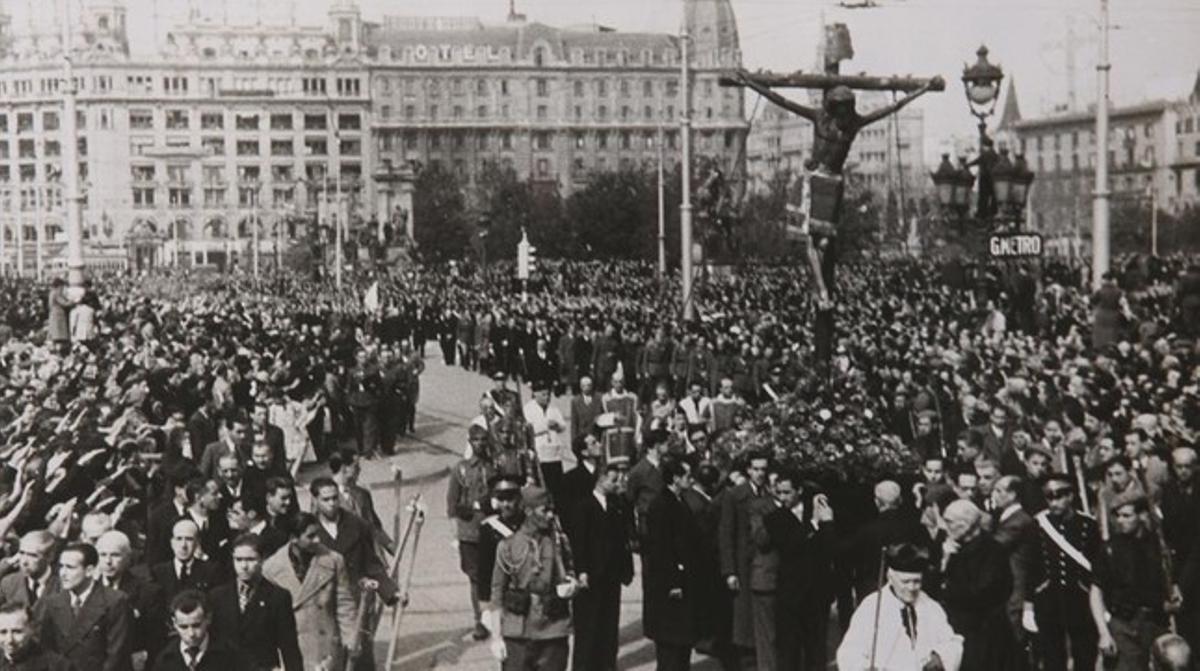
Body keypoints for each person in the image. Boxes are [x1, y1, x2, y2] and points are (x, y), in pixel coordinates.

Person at [486, 487, 576, 671]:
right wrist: (496, 637)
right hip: (518, 634)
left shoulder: (559, 544)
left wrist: (573, 586)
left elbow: (572, 575)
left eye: (552, 510)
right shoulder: (507, 547)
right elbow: (497, 594)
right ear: (528, 511)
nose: (550, 515)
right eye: (545, 510)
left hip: (553, 632)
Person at [836, 543, 963, 671]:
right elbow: (849, 652)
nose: (911, 588)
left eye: (916, 581)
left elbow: (952, 643)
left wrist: (940, 657)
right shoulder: (871, 608)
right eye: (905, 582)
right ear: (890, 577)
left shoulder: (931, 607)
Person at [1091, 491, 1178, 671]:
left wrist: (1175, 595)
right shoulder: (1109, 549)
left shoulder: (1159, 546)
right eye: (1117, 516)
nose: (1120, 520)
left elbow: (1171, 583)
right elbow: (1096, 592)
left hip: (1156, 624)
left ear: (1142, 515)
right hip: (1123, 627)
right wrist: (1103, 632)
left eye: (1126, 516)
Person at [262, 513, 357, 671]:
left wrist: (351, 637)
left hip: (325, 651)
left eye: (318, 534)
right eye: (310, 536)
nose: (317, 540)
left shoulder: (333, 560)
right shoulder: (271, 569)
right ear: (294, 538)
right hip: (290, 651)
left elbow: (344, 604)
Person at [1025, 473, 1101, 671]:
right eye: (1048, 497)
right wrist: (1029, 604)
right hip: (1049, 598)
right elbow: (1031, 567)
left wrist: (1101, 602)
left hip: (1081, 598)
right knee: (1052, 657)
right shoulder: (1038, 525)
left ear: (1070, 496)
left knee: (1085, 653)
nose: (1053, 502)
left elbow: (1098, 566)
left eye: (1058, 496)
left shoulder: (1088, 525)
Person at [763, 472, 835, 671]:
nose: (783, 497)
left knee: (817, 650)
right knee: (790, 651)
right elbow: (790, 546)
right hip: (791, 595)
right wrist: (813, 523)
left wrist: (826, 522)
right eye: (779, 492)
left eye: (787, 492)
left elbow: (829, 547)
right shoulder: (774, 518)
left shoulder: (818, 511)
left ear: (799, 491)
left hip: (817, 593)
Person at [935, 500, 1018, 671]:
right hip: (956, 630)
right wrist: (944, 561)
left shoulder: (992, 551)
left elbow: (983, 592)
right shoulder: (948, 547)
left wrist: (946, 588)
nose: (945, 526)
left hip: (984, 635)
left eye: (949, 521)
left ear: (965, 524)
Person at [568, 461, 634, 671]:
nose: (617, 484)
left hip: (611, 575)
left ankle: (607, 665)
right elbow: (579, 543)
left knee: (608, 624)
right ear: (601, 479)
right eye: (613, 480)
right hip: (592, 575)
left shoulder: (617, 505)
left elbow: (623, 540)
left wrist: (626, 569)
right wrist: (582, 571)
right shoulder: (584, 506)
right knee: (589, 625)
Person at [208, 534, 303, 671]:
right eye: (238, 560)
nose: (244, 566)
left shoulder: (278, 597)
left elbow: (289, 647)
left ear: (263, 559)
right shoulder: (217, 596)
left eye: (250, 559)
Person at [643, 459, 702, 671]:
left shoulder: (678, 501)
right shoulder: (661, 506)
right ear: (675, 478)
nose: (691, 479)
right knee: (670, 646)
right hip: (670, 586)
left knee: (682, 643)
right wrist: (673, 582)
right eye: (686, 475)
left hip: (682, 582)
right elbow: (660, 549)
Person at [38, 543, 133, 671]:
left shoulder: (115, 601)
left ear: (89, 571)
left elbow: (117, 654)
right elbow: (47, 648)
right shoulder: (53, 602)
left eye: (70, 567)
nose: (63, 573)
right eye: (61, 566)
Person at [719, 451, 772, 666]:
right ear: (748, 470)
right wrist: (729, 571)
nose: (760, 473)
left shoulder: (770, 494)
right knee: (744, 620)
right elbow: (726, 534)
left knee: (761, 621)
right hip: (743, 565)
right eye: (756, 469)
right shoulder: (735, 495)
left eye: (763, 469)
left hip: (764, 565)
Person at [447, 426, 497, 640]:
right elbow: (452, 503)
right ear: (470, 441)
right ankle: (480, 621)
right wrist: (455, 535)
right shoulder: (461, 469)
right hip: (469, 531)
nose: (480, 443)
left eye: (484, 439)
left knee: (494, 576)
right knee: (476, 578)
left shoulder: (492, 468)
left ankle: (494, 617)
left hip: (491, 529)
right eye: (476, 440)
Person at [95, 531, 168, 664]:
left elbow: (157, 639)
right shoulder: (89, 589)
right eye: (103, 555)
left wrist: (145, 655)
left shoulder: (148, 593)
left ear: (128, 558)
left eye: (115, 555)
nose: (108, 561)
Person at [150, 590, 252, 671]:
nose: (191, 634)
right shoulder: (164, 660)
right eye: (184, 627)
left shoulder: (231, 656)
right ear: (174, 623)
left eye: (196, 625)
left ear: (208, 619)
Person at [150, 519, 221, 602]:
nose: (183, 545)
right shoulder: (158, 572)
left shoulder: (211, 571)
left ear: (197, 542)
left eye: (189, 539)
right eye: (179, 539)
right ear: (172, 543)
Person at [524, 381, 567, 503]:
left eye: (548, 394)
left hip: (555, 453)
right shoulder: (528, 409)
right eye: (543, 394)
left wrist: (557, 425)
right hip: (541, 453)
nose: (547, 397)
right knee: (544, 484)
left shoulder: (553, 409)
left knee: (557, 485)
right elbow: (527, 430)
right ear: (535, 394)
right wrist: (545, 425)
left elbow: (563, 426)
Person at [0, 603, 74, 671]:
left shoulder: (58, 667)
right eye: (3, 632)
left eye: (17, 632)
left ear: (32, 629)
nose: (9, 639)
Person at [0, 532, 60, 612]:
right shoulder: (9, 583)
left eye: (32, 555)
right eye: (22, 553)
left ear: (50, 557)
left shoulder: (63, 586)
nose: (24, 562)